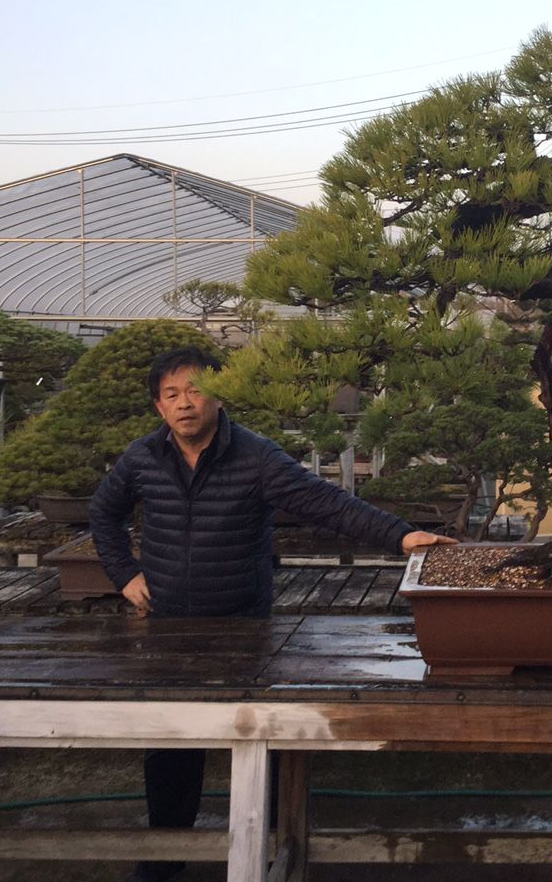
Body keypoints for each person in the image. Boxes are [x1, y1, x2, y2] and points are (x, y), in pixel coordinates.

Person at [90, 346, 455, 882]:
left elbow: (324, 502)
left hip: (244, 626)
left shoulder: (255, 456)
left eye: (194, 390)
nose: (185, 403)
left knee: (261, 737)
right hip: (168, 626)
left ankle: (274, 846)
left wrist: (401, 535)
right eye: (172, 395)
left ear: (218, 394)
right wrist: (124, 574)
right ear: (158, 408)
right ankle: (166, 856)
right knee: (171, 743)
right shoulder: (143, 458)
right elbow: (104, 512)